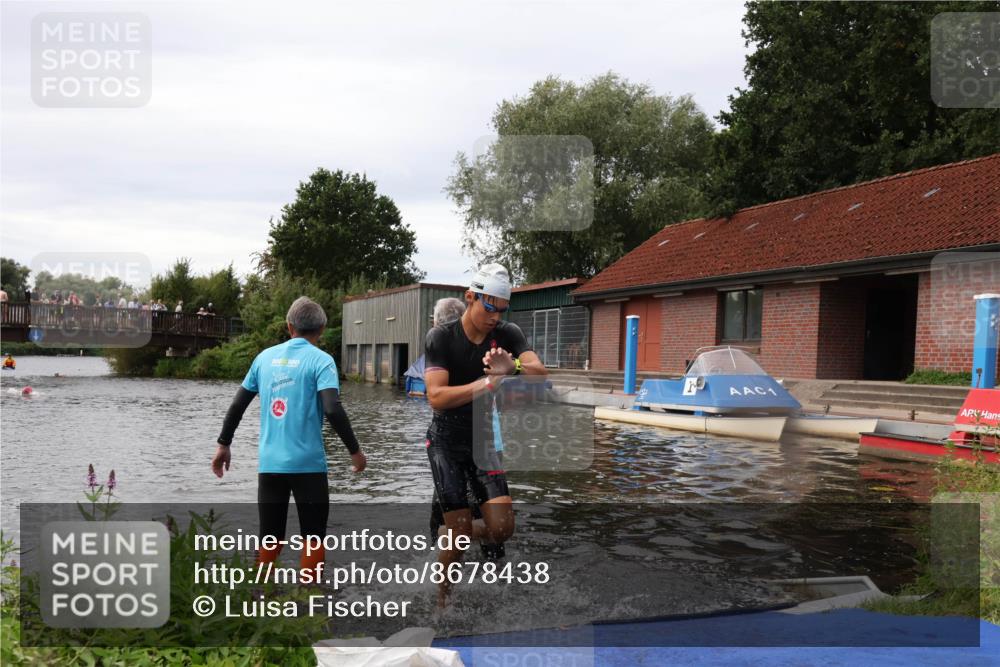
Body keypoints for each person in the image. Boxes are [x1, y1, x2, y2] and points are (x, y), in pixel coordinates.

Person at [211, 296, 366, 580]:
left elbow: (237, 405)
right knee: (313, 537)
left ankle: (262, 599)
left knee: (269, 538)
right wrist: (355, 451)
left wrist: (224, 444)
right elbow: (332, 407)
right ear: (320, 330)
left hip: (270, 465)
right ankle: (310, 605)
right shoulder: (322, 361)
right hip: (308, 465)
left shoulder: (264, 358)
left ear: (288, 326)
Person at [423, 264, 547, 607]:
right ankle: (442, 602)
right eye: (489, 307)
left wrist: (515, 368)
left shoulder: (508, 334)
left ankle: (453, 536)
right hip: (445, 442)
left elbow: (540, 373)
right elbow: (437, 396)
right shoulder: (441, 338)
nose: (495, 316)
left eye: (502, 309)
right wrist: (488, 383)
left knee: (502, 528)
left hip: (484, 440)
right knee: (461, 533)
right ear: (471, 297)